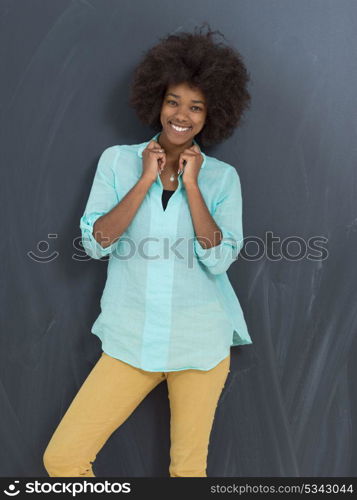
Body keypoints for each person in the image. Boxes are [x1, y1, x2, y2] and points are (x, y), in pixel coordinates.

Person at [43, 22, 253, 478]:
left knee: (187, 472)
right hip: (130, 339)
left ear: (211, 113)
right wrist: (143, 180)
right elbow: (95, 244)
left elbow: (219, 258)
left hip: (200, 343)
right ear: (157, 101)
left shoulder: (222, 179)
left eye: (196, 107)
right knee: (62, 459)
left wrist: (192, 186)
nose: (183, 115)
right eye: (174, 101)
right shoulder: (117, 161)